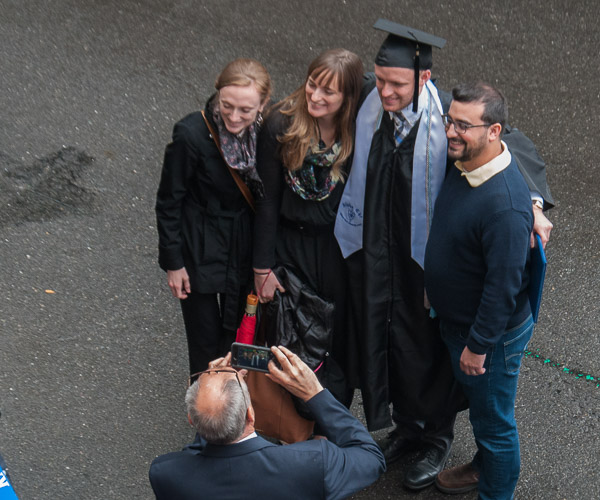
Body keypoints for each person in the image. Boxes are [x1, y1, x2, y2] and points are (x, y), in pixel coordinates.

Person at [334, 20, 554, 490]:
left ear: (423, 79)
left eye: (397, 84)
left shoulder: (448, 123)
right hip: (381, 250)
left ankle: (434, 436)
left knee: (428, 353)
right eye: (381, 80)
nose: (386, 91)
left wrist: (530, 203)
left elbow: (511, 146)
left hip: (422, 263)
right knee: (391, 342)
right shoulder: (373, 102)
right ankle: (407, 427)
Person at [424, 82, 534, 499]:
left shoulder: (504, 206)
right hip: (462, 322)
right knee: (484, 415)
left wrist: (478, 346)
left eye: (463, 126)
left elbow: (502, 288)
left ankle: (495, 492)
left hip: (488, 336)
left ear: (494, 131)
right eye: (450, 120)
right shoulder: (465, 161)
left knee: (495, 425)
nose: (451, 131)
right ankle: (480, 468)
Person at [252, 49, 364, 404]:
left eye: (328, 92)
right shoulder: (280, 124)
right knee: (291, 336)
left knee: (337, 339)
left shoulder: (361, 126)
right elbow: (266, 200)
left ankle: (331, 421)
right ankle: (288, 422)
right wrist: (261, 267)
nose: (315, 96)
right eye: (312, 85)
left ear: (347, 98)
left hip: (337, 250)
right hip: (290, 246)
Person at [155, 58, 271, 375]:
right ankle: (208, 420)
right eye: (226, 105)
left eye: (245, 110)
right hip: (199, 249)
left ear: (263, 104)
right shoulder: (191, 134)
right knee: (204, 345)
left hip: (245, 248)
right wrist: (173, 262)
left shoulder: (270, 134)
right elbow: (169, 201)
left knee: (241, 339)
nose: (233, 117)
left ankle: (235, 414)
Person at [148, 347, 386, 500]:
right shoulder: (313, 463)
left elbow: (196, 451)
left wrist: (211, 404)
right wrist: (315, 394)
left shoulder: (166, 473)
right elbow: (372, 458)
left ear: (191, 420)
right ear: (251, 414)